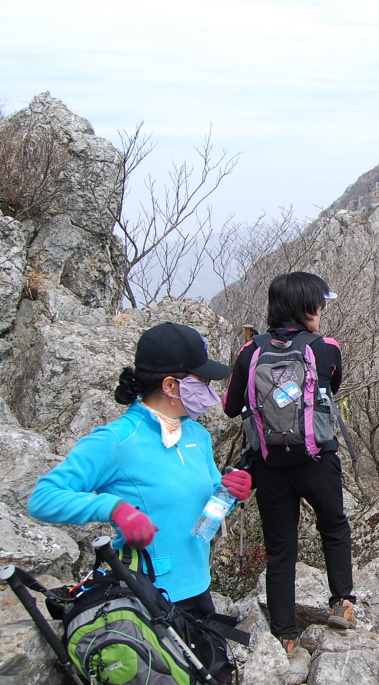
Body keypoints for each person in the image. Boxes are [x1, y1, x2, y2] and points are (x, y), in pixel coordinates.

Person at [27, 322, 248, 619]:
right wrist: (114, 508)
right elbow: (43, 498)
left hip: (198, 588)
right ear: (171, 385)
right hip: (147, 597)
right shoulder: (117, 439)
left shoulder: (198, 436)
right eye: (202, 380)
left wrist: (229, 492)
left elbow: (202, 510)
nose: (210, 390)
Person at [222, 271, 355, 655]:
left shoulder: (251, 351)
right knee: (333, 527)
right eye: (318, 303)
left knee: (281, 549)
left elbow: (231, 408)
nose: (322, 309)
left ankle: (285, 635)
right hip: (317, 459)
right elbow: (331, 389)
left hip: (270, 465)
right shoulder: (326, 346)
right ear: (306, 307)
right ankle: (342, 602)